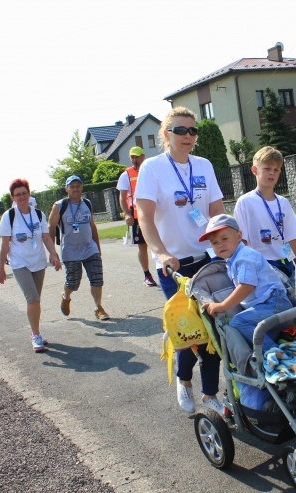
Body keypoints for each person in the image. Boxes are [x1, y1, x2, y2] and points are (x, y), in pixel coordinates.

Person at [135, 106, 225, 415]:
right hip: (173, 266)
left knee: (215, 327)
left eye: (192, 130)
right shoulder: (152, 168)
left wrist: (231, 243)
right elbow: (144, 217)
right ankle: (184, 380)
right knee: (190, 332)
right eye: (180, 130)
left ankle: (211, 394)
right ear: (166, 134)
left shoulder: (204, 166)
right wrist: (160, 252)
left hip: (207, 259)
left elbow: (216, 211)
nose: (187, 136)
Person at [200, 214, 292, 352]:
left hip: (274, 304)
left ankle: (275, 355)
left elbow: (246, 286)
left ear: (238, 236)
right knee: (256, 339)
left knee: (238, 322)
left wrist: (222, 305)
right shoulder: (232, 259)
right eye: (214, 242)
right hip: (267, 307)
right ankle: (284, 343)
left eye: (224, 238)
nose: (220, 244)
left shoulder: (244, 257)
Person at [0, 179, 62, 353]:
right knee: (32, 299)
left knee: (36, 300)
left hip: (38, 262)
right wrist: (0, 268)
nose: (22, 196)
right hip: (19, 263)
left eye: (24, 193)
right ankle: (35, 335)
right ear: (13, 197)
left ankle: (36, 331)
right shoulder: (9, 216)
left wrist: (54, 255)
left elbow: (46, 238)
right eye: (17, 194)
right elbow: (4, 244)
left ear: (29, 193)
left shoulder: (38, 214)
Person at [234, 146, 296, 295]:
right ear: (255, 170)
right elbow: (241, 241)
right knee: (274, 309)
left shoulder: (283, 203)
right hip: (263, 266)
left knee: (288, 310)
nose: (272, 173)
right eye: (267, 168)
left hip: (286, 265)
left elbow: (291, 239)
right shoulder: (245, 202)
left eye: (276, 169)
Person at [47, 175, 109, 320]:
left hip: (89, 248)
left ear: (82, 187)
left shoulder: (87, 203)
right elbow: (51, 227)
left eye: (78, 186)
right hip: (70, 251)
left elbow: (92, 225)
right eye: (72, 186)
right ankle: (66, 296)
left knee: (97, 279)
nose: (75, 189)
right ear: (66, 188)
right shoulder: (59, 206)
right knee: (73, 283)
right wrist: (52, 252)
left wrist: (97, 248)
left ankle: (98, 307)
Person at [117, 146, 157, 287]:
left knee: (163, 241)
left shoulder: (151, 170)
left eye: (137, 157)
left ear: (143, 156)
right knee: (143, 246)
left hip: (155, 213)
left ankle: (167, 269)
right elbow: (122, 198)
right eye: (132, 157)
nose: (134, 160)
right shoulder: (126, 175)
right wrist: (127, 214)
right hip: (137, 215)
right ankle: (147, 274)